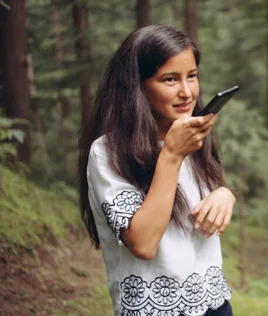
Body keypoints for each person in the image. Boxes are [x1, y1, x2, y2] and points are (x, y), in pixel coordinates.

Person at [78, 25, 235, 316]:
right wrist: (172, 155)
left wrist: (225, 194)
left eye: (192, 76)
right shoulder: (108, 152)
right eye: (170, 79)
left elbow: (201, 200)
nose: (186, 92)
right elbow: (143, 243)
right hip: (155, 308)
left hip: (214, 304)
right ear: (137, 86)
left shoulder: (193, 134)